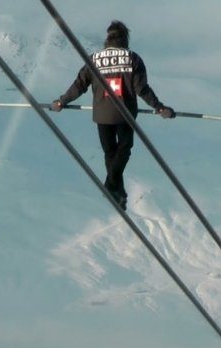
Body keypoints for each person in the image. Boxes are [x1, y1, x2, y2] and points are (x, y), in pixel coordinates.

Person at [50, 20, 175, 210]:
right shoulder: (133, 58)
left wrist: (61, 102)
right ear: (125, 38)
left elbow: (79, 85)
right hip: (124, 114)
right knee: (124, 150)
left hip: (102, 115)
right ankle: (111, 185)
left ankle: (119, 194)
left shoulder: (94, 59)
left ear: (107, 38)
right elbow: (141, 89)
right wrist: (159, 107)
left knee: (110, 152)